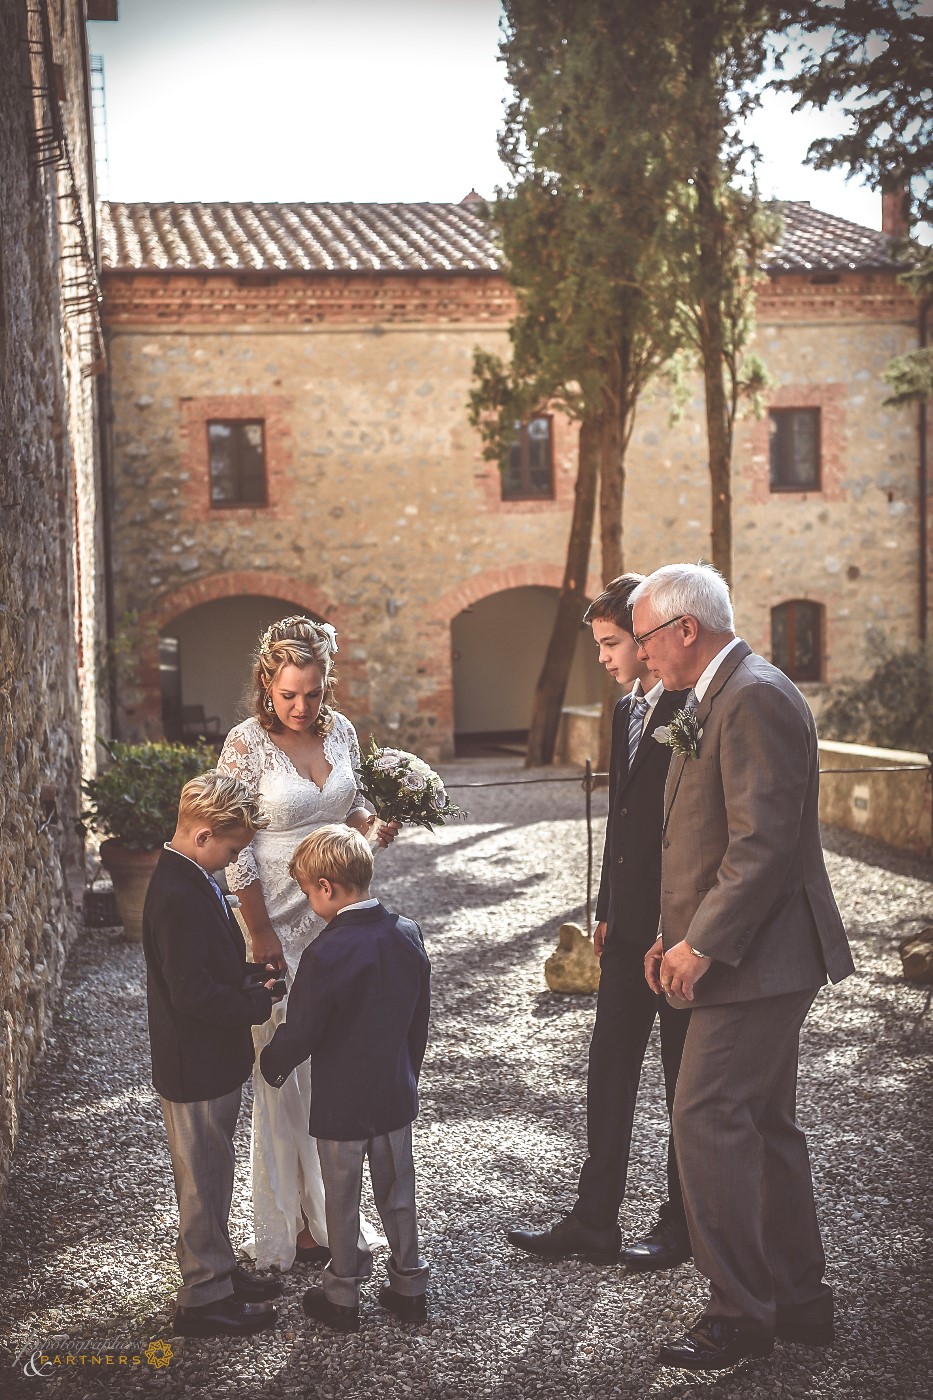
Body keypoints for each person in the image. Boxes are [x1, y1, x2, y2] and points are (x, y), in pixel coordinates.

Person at [629, 563, 854, 1371]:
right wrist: (672, 933)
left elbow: (760, 847)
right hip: (741, 951)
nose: (641, 655)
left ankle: (738, 1314)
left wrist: (703, 944)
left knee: (706, 1117)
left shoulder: (753, 695)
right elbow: (701, 838)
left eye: (647, 637)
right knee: (761, 1124)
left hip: (758, 957)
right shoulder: (714, 696)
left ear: (684, 629)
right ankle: (797, 1302)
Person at [508, 574, 692, 1269]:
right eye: (599, 645)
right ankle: (593, 1221)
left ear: (646, 641)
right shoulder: (622, 712)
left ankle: (679, 1225)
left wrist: (680, 929)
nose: (605, 657)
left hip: (677, 932)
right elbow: (621, 821)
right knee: (608, 1068)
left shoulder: (693, 703)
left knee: (683, 1081)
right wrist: (606, 911)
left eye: (612, 643)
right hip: (623, 931)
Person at [217, 615, 396, 1272]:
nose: (300, 707)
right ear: (266, 682)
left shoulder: (341, 730)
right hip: (276, 920)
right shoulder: (243, 745)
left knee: (338, 1065)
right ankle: (287, 1220)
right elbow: (234, 846)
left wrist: (372, 828)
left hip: (341, 919)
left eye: (312, 693)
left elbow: (349, 811)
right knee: (283, 1067)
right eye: (288, 693)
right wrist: (258, 930)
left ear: (327, 684)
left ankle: (333, 1213)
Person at [260, 825, 431, 1333]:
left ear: (327, 888)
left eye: (309, 891)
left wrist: (273, 1061)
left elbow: (305, 1029)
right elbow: (417, 1019)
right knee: (398, 1192)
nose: (310, 901)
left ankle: (343, 1297)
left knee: (342, 1196)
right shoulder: (408, 933)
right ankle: (408, 1287)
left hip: (341, 1102)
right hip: (393, 1093)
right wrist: (408, 1074)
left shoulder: (324, 952)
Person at [142, 770, 284, 1337]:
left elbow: (209, 967)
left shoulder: (193, 877)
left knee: (216, 1172)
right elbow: (190, 992)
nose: (232, 860)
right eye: (231, 849)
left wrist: (251, 976)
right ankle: (203, 1297)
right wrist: (250, 1005)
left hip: (212, 1059)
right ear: (204, 835)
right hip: (193, 1064)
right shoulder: (176, 894)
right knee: (201, 1183)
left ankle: (221, 1269)